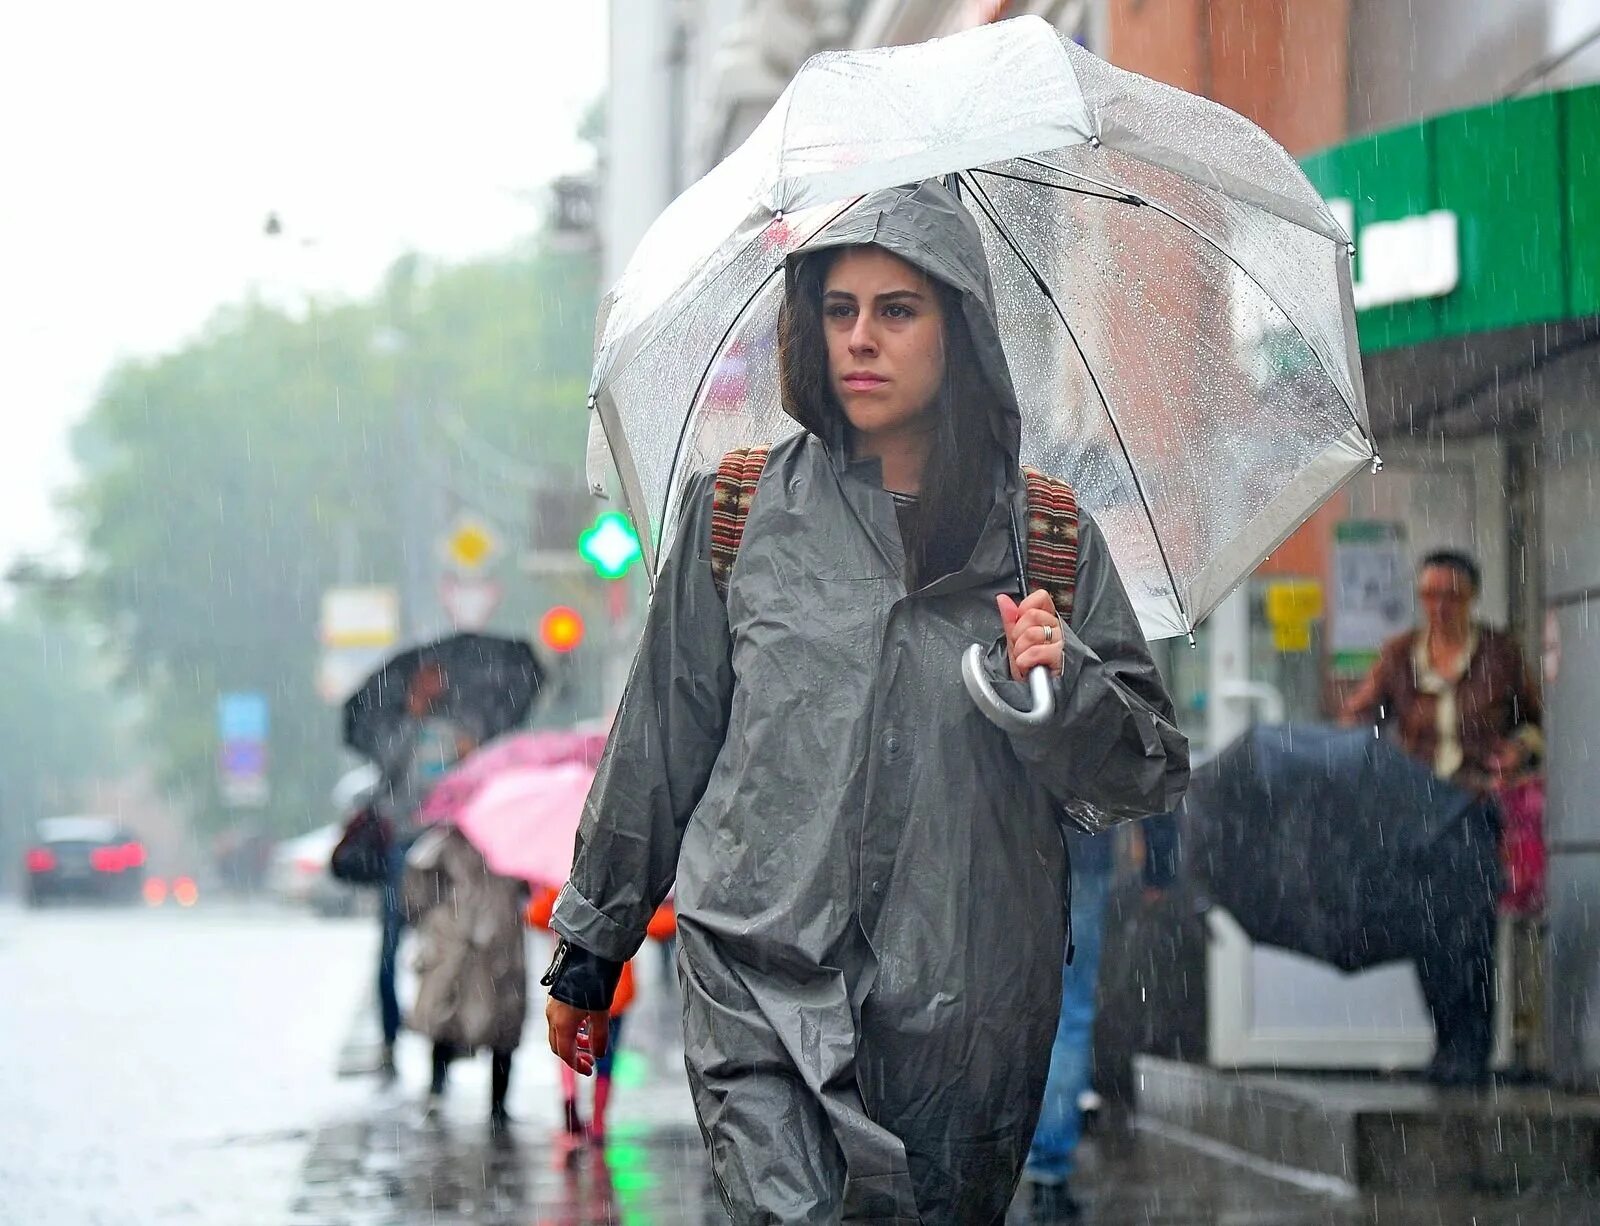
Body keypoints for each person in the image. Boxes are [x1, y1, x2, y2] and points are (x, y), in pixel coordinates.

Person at [543, 180, 1188, 1222]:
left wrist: (1061, 683)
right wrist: (591, 941)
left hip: (970, 1007)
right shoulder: (737, 512)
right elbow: (657, 746)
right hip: (760, 980)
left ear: (958, 328)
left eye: (897, 310)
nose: (861, 340)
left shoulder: (1050, 540)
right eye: (839, 310)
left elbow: (1147, 767)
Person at [1341, 549, 1542, 1084]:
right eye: (1429, 595)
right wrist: (1376, 757)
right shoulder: (1402, 655)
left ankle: (1470, 1052)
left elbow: (1534, 724)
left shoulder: (1499, 654)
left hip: (1475, 809)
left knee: (1473, 933)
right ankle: (1446, 1046)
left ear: (1471, 597)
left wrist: (1518, 750)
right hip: (1418, 815)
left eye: (1450, 595)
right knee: (1427, 932)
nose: (1439, 607)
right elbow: (1359, 718)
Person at [1025, 813, 1179, 1221]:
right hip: (1082, 850)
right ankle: (1048, 1179)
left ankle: (977, 1164)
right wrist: (1159, 864)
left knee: (1003, 1006)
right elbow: (1148, 757)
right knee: (1067, 1014)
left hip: (1004, 847)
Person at [372, 661, 479, 1076]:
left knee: (449, 944)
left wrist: (470, 752)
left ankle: (440, 1049)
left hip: (447, 848)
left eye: (440, 674)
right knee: (389, 946)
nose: (437, 681)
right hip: (402, 844)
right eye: (429, 674)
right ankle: (388, 1036)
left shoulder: (459, 724)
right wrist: (412, 716)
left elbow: (473, 777)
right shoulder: (396, 726)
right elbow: (386, 773)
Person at [527, 887, 676, 1145]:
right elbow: (655, 925)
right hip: (615, 994)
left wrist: (561, 918)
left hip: (576, 991)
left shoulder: (565, 888)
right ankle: (597, 1122)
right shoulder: (623, 891)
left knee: (569, 1047)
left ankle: (570, 1103)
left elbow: (536, 916)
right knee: (605, 1057)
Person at [402, 824, 526, 1133]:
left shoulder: (458, 839)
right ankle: (447, 1092)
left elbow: (415, 892)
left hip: (494, 945)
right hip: (469, 944)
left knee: (498, 1023)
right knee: (456, 1017)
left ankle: (487, 1102)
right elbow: (416, 889)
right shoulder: (450, 840)